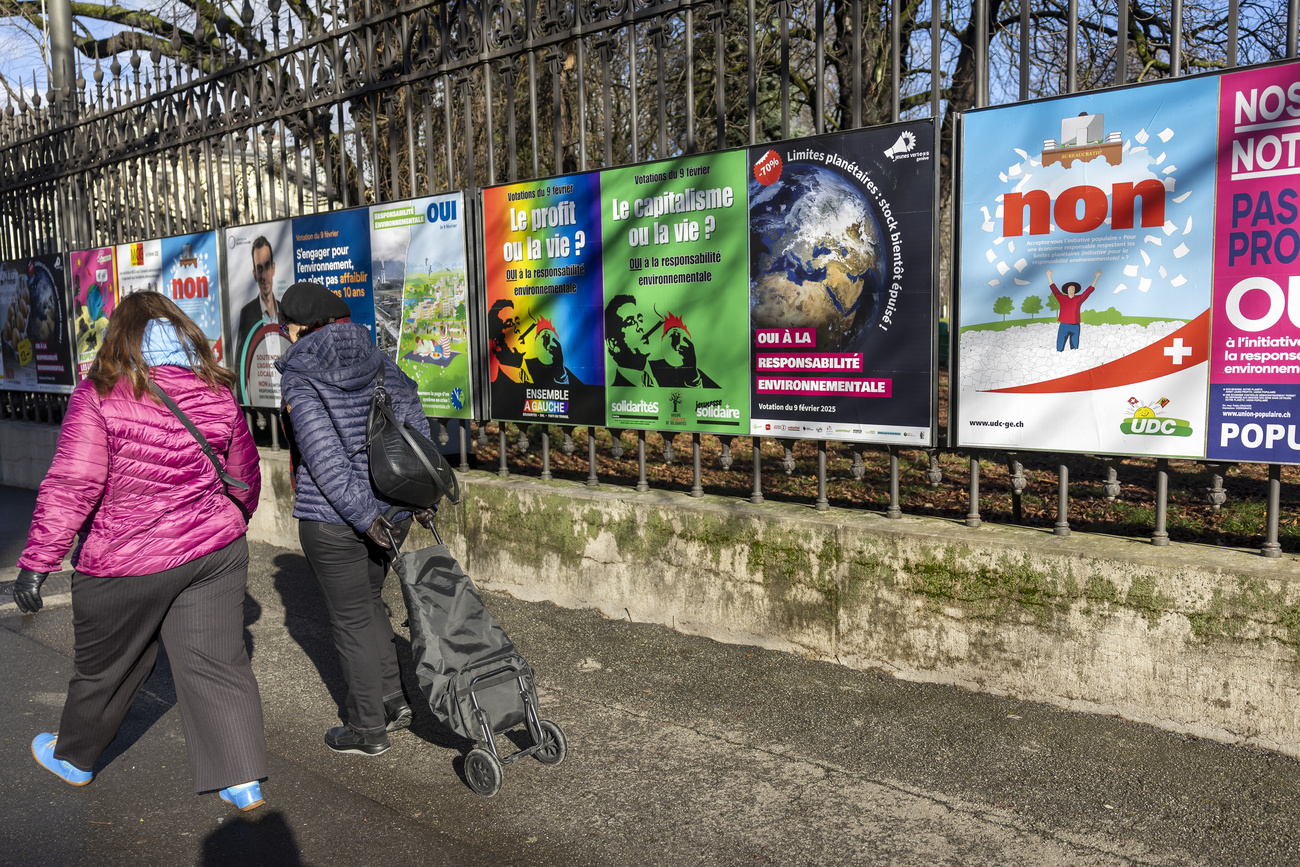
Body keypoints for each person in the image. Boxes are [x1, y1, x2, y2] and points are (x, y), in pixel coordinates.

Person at [13, 290, 267, 811]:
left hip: (125, 560)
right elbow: (244, 475)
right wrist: (228, 523)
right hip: (213, 550)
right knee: (219, 663)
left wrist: (38, 562)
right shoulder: (215, 388)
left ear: (120, 338)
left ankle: (75, 759)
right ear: (182, 333)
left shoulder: (100, 393)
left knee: (106, 669)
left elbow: (73, 484)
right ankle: (242, 782)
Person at [275, 282, 435, 757]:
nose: (284, 333)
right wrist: (412, 498)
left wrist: (363, 517)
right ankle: (391, 699)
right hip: (391, 509)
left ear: (300, 327)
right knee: (369, 606)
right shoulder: (376, 355)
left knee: (350, 620)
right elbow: (415, 425)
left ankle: (367, 729)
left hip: (337, 520)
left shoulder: (300, 373)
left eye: (286, 325)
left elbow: (323, 457)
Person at [236, 237, 279, 368]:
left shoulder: (286, 311)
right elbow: (240, 364)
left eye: (267, 266)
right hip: (260, 388)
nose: (264, 276)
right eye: (259, 269)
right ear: (254, 274)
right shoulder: (247, 314)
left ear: (273, 268)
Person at [648, 312, 718, 388]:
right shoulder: (650, 368)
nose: (676, 343)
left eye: (680, 335)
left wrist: (692, 373)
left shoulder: (696, 374)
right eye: (671, 335)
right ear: (662, 340)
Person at [604, 294, 656, 387]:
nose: (641, 327)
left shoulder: (669, 370)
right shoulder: (617, 389)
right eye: (631, 322)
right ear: (613, 344)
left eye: (640, 320)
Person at [1047, 268, 1100, 352]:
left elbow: (1089, 291)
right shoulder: (1062, 298)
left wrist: (1096, 277)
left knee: (1075, 349)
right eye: (1069, 288)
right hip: (1064, 326)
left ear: (1075, 290)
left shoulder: (1079, 299)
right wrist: (1049, 276)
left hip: (1075, 326)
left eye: (1073, 289)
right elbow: (1054, 289)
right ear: (1066, 290)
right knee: (1059, 348)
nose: (1071, 290)